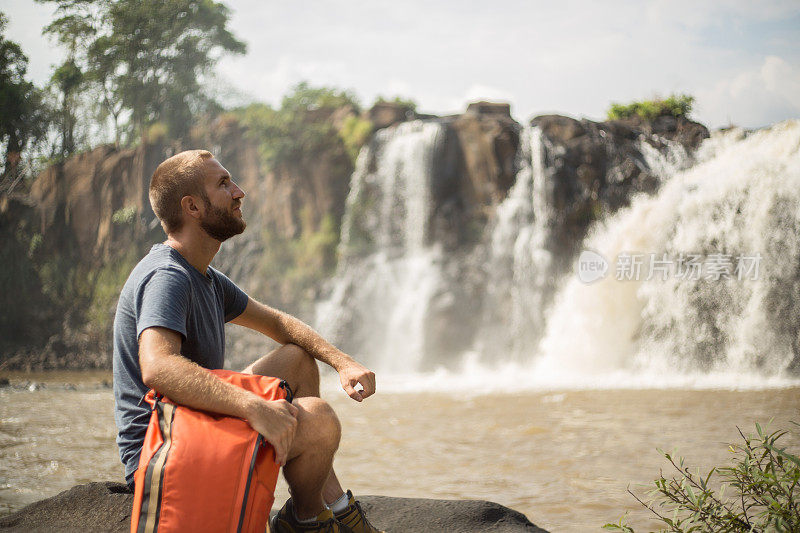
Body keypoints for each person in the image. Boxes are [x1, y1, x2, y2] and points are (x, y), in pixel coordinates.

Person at [112, 149, 382, 533]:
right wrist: (253, 407)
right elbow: (158, 366)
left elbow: (279, 323)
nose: (239, 192)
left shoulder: (204, 276)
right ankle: (305, 522)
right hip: (161, 448)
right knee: (319, 419)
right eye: (223, 184)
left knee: (296, 360)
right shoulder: (166, 276)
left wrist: (343, 362)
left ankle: (333, 505)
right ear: (192, 207)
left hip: (194, 421)